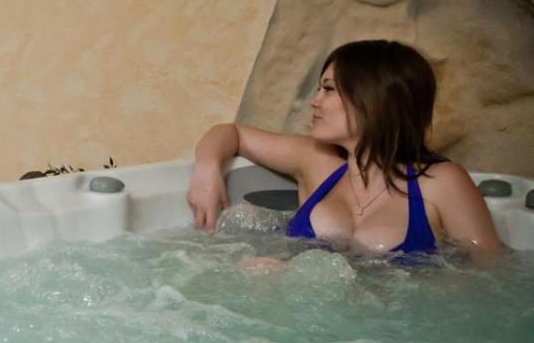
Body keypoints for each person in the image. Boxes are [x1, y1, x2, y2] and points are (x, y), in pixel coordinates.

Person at [187, 40, 502, 256]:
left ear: (372, 99)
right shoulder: (317, 161)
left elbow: (491, 281)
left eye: (328, 89)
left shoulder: (442, 183)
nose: (315, 101)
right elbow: (231, 133)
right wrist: (207, 169)